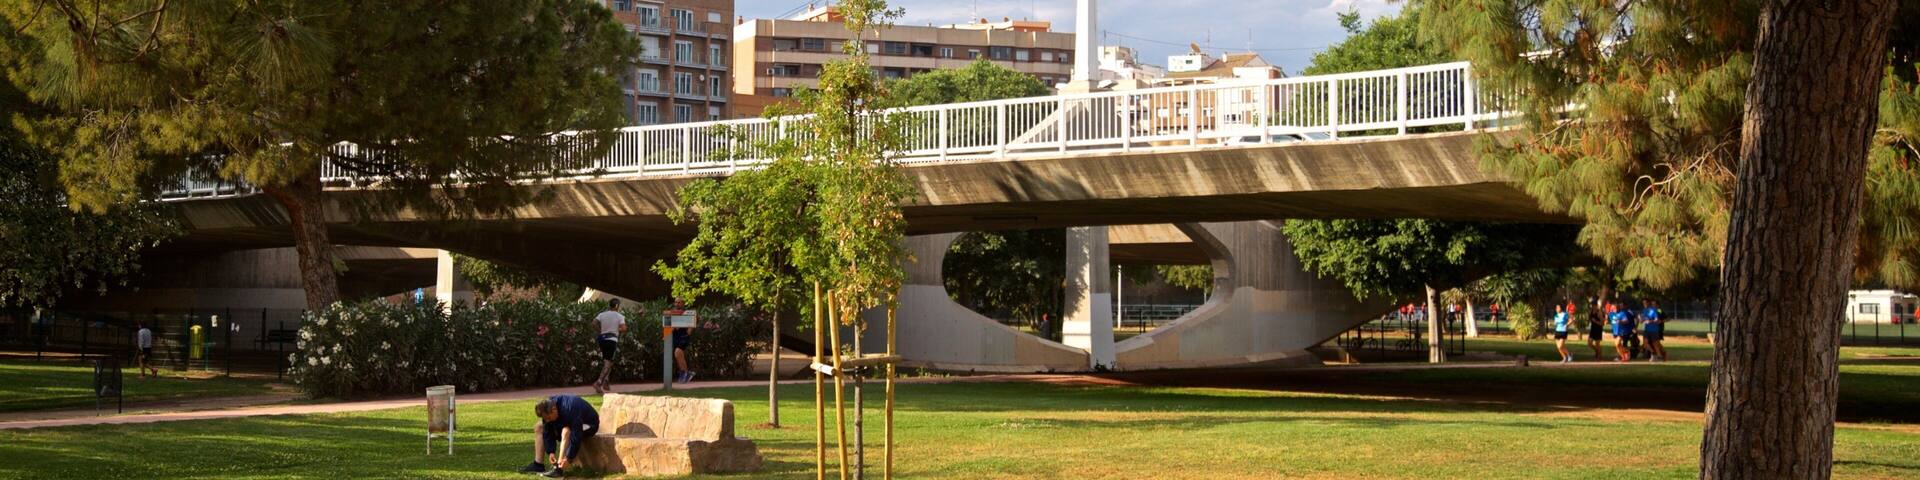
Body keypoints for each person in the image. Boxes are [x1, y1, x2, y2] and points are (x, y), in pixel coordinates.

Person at [520, 395, 600, 477]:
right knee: (539, 427)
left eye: (548, 417)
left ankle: (558, 469)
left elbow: (576, 435)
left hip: (589, 424)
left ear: (554, 410)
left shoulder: (570, 408)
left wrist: (569, 458)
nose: (547, 420)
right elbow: (548, 431)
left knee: (566, 431)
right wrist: (551, 452)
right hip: (569, 422)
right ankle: (538, 465)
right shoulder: (547, 407)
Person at [591, 299, 627, 394]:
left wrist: (600, 331)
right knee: (608, 362)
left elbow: (594, 323)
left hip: (602, 339)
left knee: (607, 360)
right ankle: (598, 383)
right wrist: (616, 329)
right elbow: (624, 328)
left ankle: (606, 381)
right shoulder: (619, 316)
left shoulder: (602, 314)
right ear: (616, 306)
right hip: (611, 340)